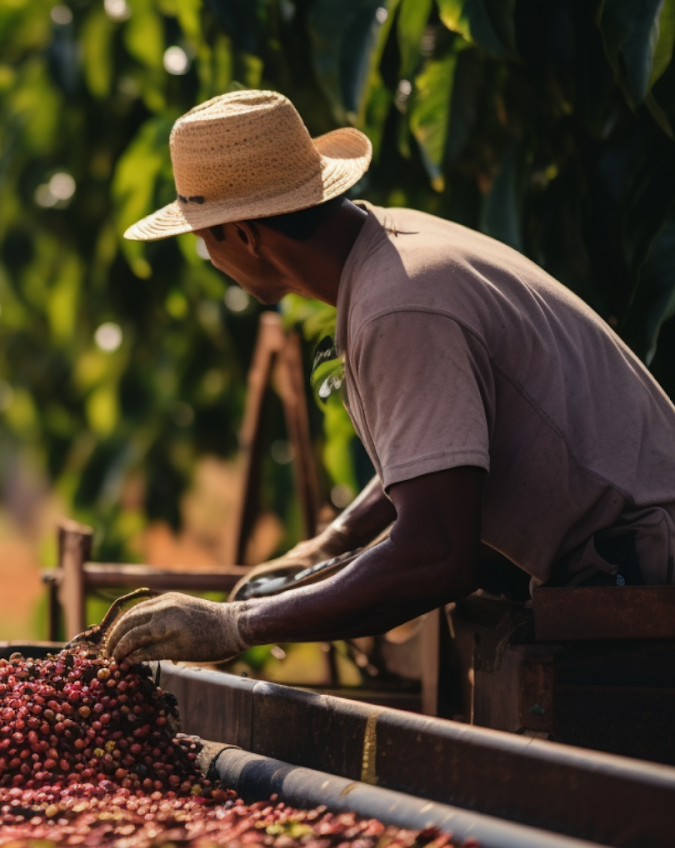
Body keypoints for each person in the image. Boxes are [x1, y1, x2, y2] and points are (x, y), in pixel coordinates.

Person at [100, 90, 675, 664]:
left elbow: (436, 554)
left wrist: (236, 624)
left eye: (207, 239)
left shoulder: (398, 308)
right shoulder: (396, 246)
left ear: (246, 236)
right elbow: (441, 441)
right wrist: (333, 542)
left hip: (645, 568)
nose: (210, 257)